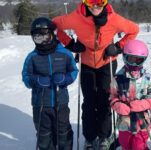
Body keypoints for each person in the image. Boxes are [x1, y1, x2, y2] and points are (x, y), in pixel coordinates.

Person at [52, 0, 139, 149]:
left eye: (100, 2)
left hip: (107, 62)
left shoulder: (113, 18)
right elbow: (54, 24)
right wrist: (70, 44)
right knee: (89, 101)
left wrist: (118, 47)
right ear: (85, 3)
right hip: (86, 63)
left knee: (105, 100)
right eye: (91, 2)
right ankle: (90, 137)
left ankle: (104, 136)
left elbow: (134, 30)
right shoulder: (76, 17)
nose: (96, 6)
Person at [22, 17, 79, 150]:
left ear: (52, 34)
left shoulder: (64, 53)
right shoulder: (32, 57)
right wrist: (36, 80)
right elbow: (26, 77)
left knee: (63, 130)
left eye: (45, 36)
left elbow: (73, 71)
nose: (42, 41)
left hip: (61, 102)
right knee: (44, 134)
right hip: (40, 103)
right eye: (37, 37)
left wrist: (65, 78)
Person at [109, 40, 151, 150]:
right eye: (130, 59)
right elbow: (112, 96)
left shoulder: (147, 78)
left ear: (144, 60)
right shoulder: (118, 78)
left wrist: (145, 103)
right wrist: (117, 105)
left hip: (142, 120)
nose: (134, 64)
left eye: (138, 60)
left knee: (138, 145)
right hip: (124, 121)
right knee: (124, 142)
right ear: (124, 57)